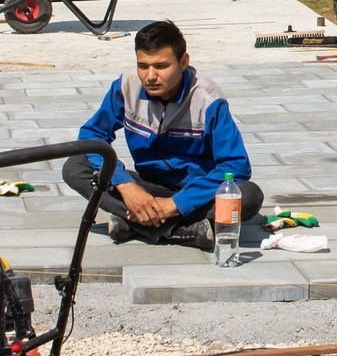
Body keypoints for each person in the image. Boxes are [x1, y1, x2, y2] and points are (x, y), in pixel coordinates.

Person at [65, 19, 261, 246]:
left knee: (249, 195)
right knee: (76, 165)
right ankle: (180, 229)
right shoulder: (125, 86)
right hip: (146, 186)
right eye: (143, 65)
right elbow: (92, 136)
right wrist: (126, 186)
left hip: (195, 192)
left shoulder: (208, 99)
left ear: (183, 61)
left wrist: (177, 204)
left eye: (161, 66)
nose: (150, 76)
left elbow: (236, 165)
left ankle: (137, 223)